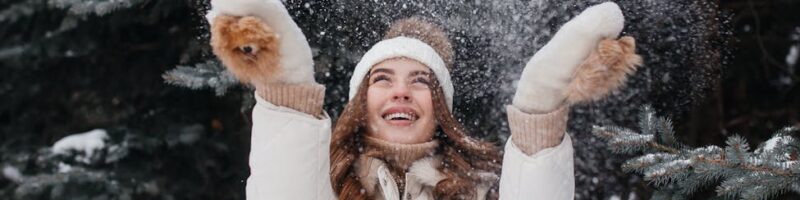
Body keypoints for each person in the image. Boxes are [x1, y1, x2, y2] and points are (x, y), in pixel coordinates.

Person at [206, 0, 640, 199]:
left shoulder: (483, 190)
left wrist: (539, 114)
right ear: (361, 102)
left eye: (420, 81)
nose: (401, 90)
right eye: (383, 79)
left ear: (440, 109)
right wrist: (287, 88)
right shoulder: (326, 183)